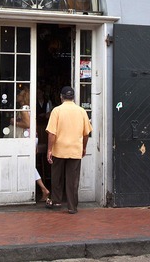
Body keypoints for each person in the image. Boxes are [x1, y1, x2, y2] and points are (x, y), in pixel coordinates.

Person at [45, 86, 92, 214]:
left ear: (61, 97)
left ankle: (57, 201)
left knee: (57, 177)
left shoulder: (57, 111)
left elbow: (51, 133)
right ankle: (72, 207)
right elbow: (86, 133)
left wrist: (49, 149)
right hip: (75, 149)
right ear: (74, 97)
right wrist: (83, 147)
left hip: (59, 149)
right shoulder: (81, 111)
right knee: (72, 180)